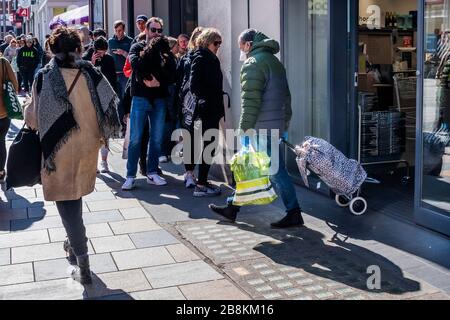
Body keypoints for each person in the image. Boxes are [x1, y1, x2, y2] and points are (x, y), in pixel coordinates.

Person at [23, 27, 121, 285]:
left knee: (67, 203)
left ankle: (82, 260)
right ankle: (72, 242)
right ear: (79, 48)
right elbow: (111, 103)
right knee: (74, 198)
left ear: (51, 50)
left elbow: (33, 120)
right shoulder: (91, 73)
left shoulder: (44, 77)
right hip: (89, 146)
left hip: (59, 149)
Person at [209, 29, 305, 229]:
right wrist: (284, 124)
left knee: (275, 171)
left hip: (261, 128)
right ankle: (232, 208)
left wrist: (244, 131)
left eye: (241, 47)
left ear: (248, 44)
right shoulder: (275, 63)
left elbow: (250, 102)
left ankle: (294, 212)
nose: (241, 52)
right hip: (275, 125)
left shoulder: (253, 64)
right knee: (251, 169)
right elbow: (287, 98)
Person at [122, 17, 176, 190]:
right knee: (136, 138)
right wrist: (146, 79)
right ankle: (130, 175)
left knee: (157, 138)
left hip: (159, 98)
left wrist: (158, 81)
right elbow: (136, 64)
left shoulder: (164, 49)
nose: (157, 34)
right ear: (146, 29)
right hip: (140, 97)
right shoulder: (137, 46)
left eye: (160, 31)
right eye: (154, 30)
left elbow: (172, 72)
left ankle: (152, 172)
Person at [183, 28, 225, 198]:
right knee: (209, 145)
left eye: (220, 44)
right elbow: (194, 85)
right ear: (207, 41)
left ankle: (202, 181)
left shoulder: (209, 57)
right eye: (216, 43)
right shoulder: (201, 57)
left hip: (212, 108)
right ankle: (200, 185)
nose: (218, 46)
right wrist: (205, 100)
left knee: (210, 145)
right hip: (207, 109)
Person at [84, 36, 119, 173]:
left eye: (104, 51)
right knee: (92, 132)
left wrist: (113, 98)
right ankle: (93, 163)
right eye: (100, 51)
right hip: (90, 98)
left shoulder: (109, 59)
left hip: (105, 97)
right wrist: (91, 63)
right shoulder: (86, 57)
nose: (102, 54)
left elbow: (112, 79)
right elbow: (83, 76)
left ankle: (104, 161)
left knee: (106, 130)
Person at [177, 26, 204, 189]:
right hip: (187, 105)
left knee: (200, 138)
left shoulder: (209, 57)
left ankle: (197, 174)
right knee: (189, 138)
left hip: (203, 104)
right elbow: (178, 79)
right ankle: (189, 173)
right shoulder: (186, 58)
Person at [108, 20, 133, 130]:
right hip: (114, 74)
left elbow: (132, 57)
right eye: (116, 31)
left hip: (125, 74)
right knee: (116, 99)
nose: (118, 33)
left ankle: (125, 124)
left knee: (125, 98)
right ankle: (118, 125)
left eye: (120, 31)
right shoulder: (110, 41)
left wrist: (123, 53)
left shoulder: (130, 41)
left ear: (124, 30)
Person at [0, 57, 19, 183]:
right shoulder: (3, 62)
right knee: (1, 141)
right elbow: (15, 85)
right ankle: (1, 171)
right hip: (3, 112)